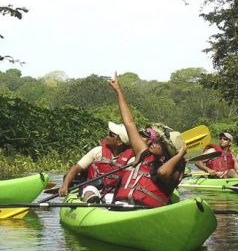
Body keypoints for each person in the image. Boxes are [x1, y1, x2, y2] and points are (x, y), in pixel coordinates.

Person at [108, 72, 187, 207]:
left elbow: (162, 172)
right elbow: (129, 123)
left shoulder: (175, 169)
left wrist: (180, 155)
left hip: (147, 212)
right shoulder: (144, 153)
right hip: (122, 206)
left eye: (158, 143)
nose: (153, 142)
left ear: (167, 151)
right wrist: (119, 91)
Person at [58, 121, 134, 202]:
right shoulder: (97, 151)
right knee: (89, 190)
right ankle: (92, 201)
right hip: (93, 189)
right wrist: (65, 185)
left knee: (113, 198)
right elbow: (76, 168)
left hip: (113, 193)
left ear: (119, 142)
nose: (107, 136)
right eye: (109, 132)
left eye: (111, 135)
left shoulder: (131, 160)